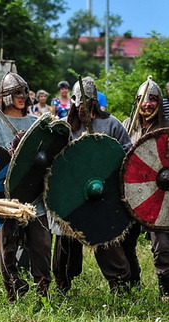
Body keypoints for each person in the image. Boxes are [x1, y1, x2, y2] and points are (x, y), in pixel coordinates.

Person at [53, 77, 133, 294]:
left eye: (88, 103)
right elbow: (55, 160)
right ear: (74, 102)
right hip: (73, 193)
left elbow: (128, 154)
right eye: (80, 104)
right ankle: (63, 284)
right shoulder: (65, 127)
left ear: (95, 102)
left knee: (106, 237)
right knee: (66, 240)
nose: (83, 108)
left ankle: (119, 283)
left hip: (103, 192)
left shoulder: (111, 124)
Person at [0, 72, 52, 302]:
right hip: (7, 195)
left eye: (24, 92)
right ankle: (13, 292)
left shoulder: (35, 122)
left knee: (41, 246)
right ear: (5, 96)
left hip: (34, 196)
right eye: (16, 93)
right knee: (7, 247)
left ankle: (42, 292)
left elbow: (46, 157)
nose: (22, 97)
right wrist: (10, 153)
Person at [122, 76, 169, 299]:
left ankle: (165, 290)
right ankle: (132, 283)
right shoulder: (126, 126)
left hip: (157, 196)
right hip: (130, 193)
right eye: (143, 99)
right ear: (137, 102)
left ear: (159, 103)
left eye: (153, 99)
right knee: (124, 241)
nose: (147, 104)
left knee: (162, 245)